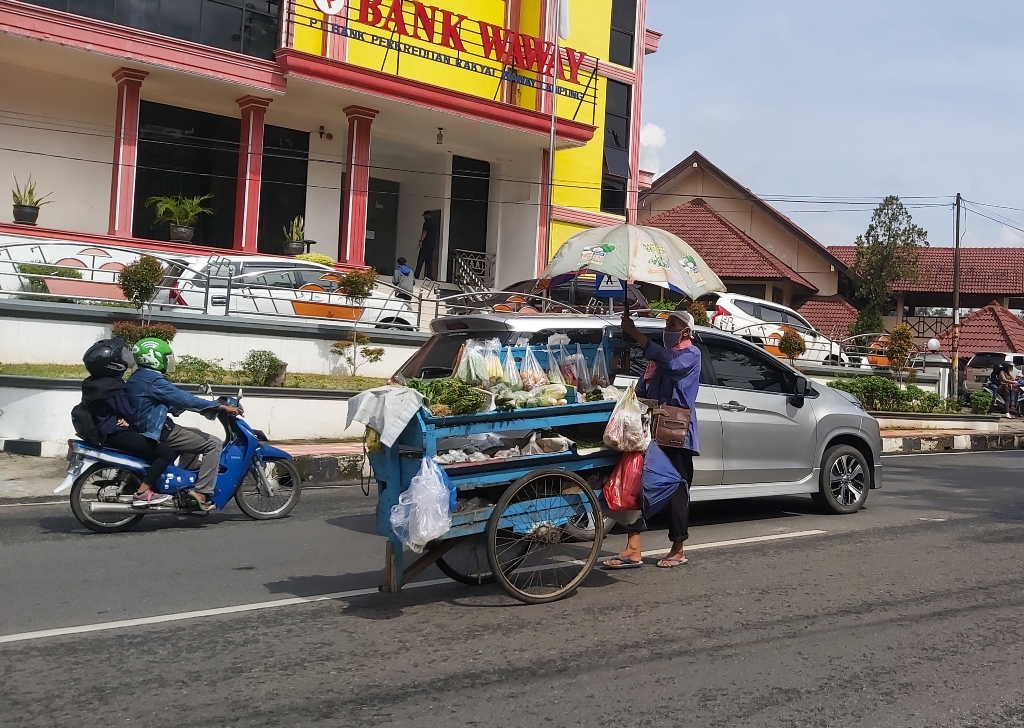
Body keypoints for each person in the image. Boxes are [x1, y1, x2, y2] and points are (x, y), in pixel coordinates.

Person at [603, 310, 701, 570]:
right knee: (636, 482)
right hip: (648, 429)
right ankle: (633, 547)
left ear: (686, 331)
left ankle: (678, 548)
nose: (667, 328)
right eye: (666, 324)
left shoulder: (691, 354)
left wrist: (636, 333)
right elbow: (643, 390)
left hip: (675, 432)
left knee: (677, 488)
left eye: (672, 324)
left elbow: (673, 366)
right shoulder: (657, 361)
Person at [126, 337, 240, 511]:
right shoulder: (153, 380)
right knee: (213, 443)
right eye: (165, 358)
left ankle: (182, 487)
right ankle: (201, 492)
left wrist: (186, 406)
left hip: (147, 427)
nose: (167, 361)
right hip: (157, 430)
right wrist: (218, 406)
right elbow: (184, 398)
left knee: (194, 435)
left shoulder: (139, 377)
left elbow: (170, 402)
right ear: (154, 358)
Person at [80, 338, 174, 507]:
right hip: (117, 434)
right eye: (121, 356)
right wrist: (135, 422)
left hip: (104, 431)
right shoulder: (113, 386)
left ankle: (135, 482)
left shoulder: (93, 383)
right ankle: (143, 493)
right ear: (112, 363)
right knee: (167, 452)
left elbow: (108, 409)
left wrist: (120, 418)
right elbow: (130, 413)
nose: (125, 359)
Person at [414, 210, 438, 280]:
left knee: (420, 259)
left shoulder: (426, 223)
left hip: (426, 244)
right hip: (432, 245)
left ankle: (416, 275)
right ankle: (429, 276)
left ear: (426, 216)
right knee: (429, 261)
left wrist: (421, 241)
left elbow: (425, 232)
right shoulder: (434, 224)